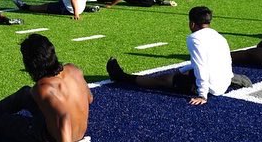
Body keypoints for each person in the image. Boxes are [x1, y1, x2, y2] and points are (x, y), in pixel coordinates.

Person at [106, 6, 251, 105]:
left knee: (161, 80)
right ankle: (232, 79)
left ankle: (122, 77)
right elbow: (222, 59)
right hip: (224, 79)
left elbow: (201, 66)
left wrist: (202, 95)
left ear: (192, 23)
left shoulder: (194, 38)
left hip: (212, 86)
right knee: (183, 73)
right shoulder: (218, 36)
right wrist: (182, 70)